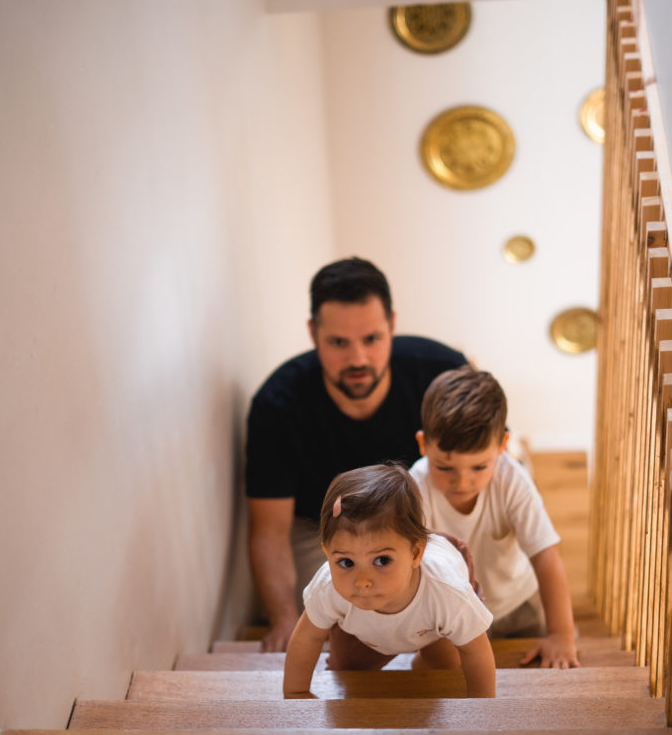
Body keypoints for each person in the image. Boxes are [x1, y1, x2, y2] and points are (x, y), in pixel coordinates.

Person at [246, 256, 467, 651]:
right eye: (338, 343)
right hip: (322, 531)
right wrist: (282, 619)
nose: (358, 360)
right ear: (314, 333)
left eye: (372, 339)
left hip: (427, 512)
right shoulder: (277, 404)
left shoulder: (441, 371)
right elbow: (270, 529)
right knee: (332, 613)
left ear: (392, 326)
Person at [409, 365, 579, 669]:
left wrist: (561, 634)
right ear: (423, 445)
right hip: (451, 615)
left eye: (478, 467)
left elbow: (545, 556)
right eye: (445, 468)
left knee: (540, 675)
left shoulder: (512, 479)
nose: (462, 482)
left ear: (502, 446)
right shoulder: (415, 487)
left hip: (517, 606)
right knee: (445, 681)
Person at [283, 463, 496, 698]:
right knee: (347, 672)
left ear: (416, 554)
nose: (362, 581)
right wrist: (296, 692)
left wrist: (482, 707)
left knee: (445, 663)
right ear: (327, 552)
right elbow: (307, 638)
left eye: (382, 561)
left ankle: (423, 663)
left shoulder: (447, 591)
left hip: (433, 626)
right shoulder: (327, 587)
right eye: (346, 563)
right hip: (363, 633)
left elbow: (476, 651)